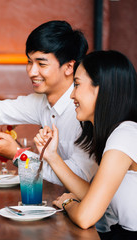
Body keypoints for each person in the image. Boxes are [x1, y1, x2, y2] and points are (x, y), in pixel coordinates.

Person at [0, 20, 98, 185]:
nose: (32, 72)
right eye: (29, 62)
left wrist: (18, 154)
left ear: (69, 67)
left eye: (41, 64)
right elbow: (1, 109)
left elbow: (78, 178)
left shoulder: (86, 111)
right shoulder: (42, 101)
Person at [34, 51, 137, 239]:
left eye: (77, 84)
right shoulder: (119, 132)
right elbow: (95, 196)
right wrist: (51, 156)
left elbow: (85, 217)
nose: (72, 94)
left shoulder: (125, 134)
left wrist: (69, 203)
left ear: (101, 88)